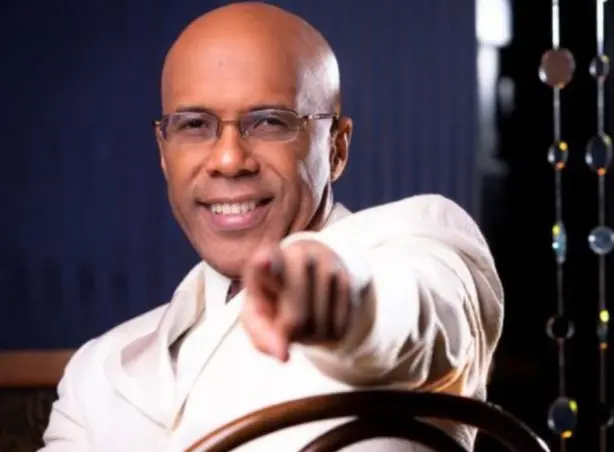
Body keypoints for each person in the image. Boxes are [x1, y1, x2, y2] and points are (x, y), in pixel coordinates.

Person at [38, 2, 502, 452]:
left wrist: (345, 301)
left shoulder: (421, 245)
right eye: (195, 125)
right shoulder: (94, 372)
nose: (228, 159)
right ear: (164, 153)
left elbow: (419, 318)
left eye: (269, 122)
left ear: (336, 148)